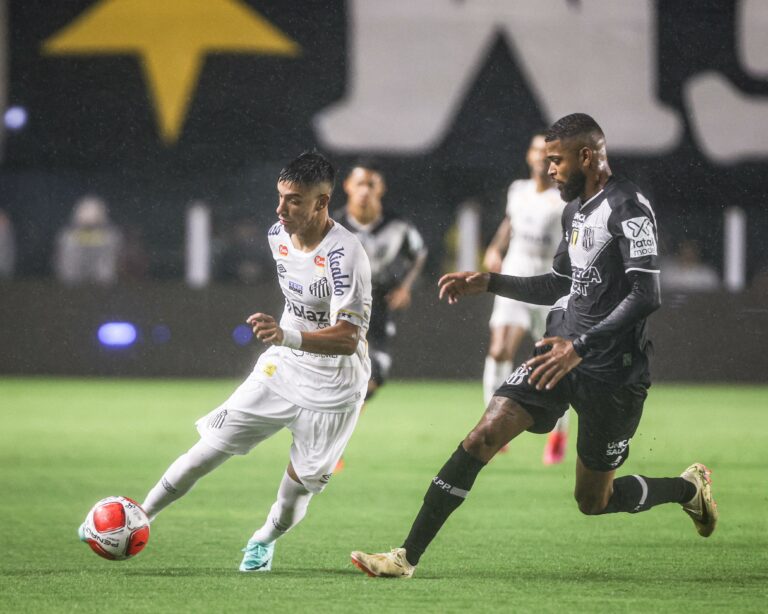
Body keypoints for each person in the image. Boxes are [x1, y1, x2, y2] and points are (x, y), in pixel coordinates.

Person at [350, 113, 717, 579]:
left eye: (557, 160)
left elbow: (647, 294)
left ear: (587, 156)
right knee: (482, 436)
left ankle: (687, 490)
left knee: (593, 500)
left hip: (613, 371)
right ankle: (405, 557)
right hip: (557, 356)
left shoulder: (629, 207)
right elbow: (559, 282)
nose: (550, 170)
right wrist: (490, 281)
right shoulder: (574, 210)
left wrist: (581, 346)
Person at [79, 152, 372, 572]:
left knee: (295, 493)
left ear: (321, 202)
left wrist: (285, 334)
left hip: (335, 389)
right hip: (284, 368)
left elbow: (347, 338)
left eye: (294, 200)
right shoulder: (278, 236)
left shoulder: (346, 255)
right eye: (280, 197)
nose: (281, 209)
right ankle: (135, 520)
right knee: (206, 451)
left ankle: (263, 540)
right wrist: (285, 340)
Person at [483, 131, 568, 463]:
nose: (541, 157)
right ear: (529, 156)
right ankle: (493, 423)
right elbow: (509, 223)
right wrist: (495, 248)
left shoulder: (565, 198)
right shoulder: (517, 190)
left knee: (553, 359)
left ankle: (559, 434)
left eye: (548, 153)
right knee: (499, 348)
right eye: (536, 150)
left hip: (549, 283)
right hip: (515, 276)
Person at [335, 160, 427, 401]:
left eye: (371, 184)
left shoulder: (398, 225)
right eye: (360, 184)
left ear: (381, 188)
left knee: (377, 372)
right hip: (342, 301)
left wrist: (405, 287)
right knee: (339, 369)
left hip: (380, 301)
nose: (365, 190)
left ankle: (352, 409)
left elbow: (419, 253)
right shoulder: (333, 225)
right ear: (347, 186)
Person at [54, 195, 122, 285]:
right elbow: (62, 262)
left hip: (102, 283)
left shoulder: (111, 236)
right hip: (72, 283)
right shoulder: (68, 237)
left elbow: (115, 260)